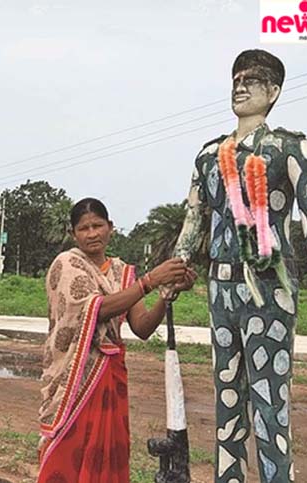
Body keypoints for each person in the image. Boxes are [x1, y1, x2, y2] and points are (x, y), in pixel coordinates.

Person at [173, 49, 307, 483]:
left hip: (270, 287)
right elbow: (194, 218)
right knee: (227, 398)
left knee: (271, 401)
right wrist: (175, 270)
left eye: (252, 79)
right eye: (236, 77)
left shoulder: (292, 149)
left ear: (273, 91)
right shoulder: (209, 155)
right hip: (221, 285)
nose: (240, 85)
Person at [38, 198, 195, 483]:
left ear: (111, 228)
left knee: (109, 452)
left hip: (110, 377)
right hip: (75, 376)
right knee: (70, 450)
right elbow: (97, 309)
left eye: (98, 225)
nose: (92, 233)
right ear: (74, 234)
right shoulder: (68, 264)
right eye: (84, 228)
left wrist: (165, 293)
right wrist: (149, 281)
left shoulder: (121, 272)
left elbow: (143, 327)